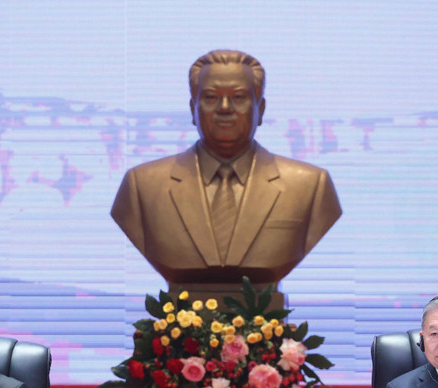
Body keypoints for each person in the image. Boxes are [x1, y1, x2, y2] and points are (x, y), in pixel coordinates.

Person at [111, 49, 342, 306]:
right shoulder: (142, 186)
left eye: (238, 97)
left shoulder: (310, 186)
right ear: (192, 108)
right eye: (210, 97)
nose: (224, 108)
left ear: (260, 108)